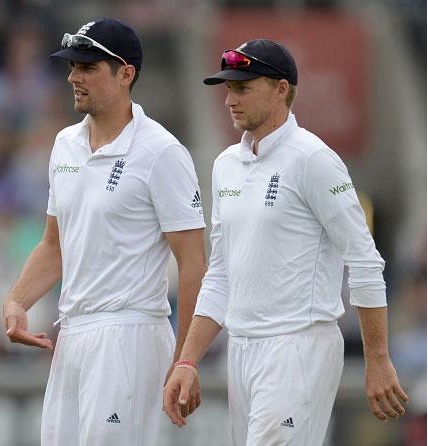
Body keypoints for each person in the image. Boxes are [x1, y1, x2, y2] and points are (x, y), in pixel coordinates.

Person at [163, 39, 409, 445]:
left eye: (242, 88)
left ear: (281, 89)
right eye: (228, 89)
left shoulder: (313, 159)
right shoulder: (225, 166)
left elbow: (365, 261)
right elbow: (221, 274)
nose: (229, 100)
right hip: (241, 351)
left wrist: (378, 360)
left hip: (299, 347)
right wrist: (188, 359)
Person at [2, 18, 206, 446]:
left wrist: (186, 359)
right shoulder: (65, 144)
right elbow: (54, 244)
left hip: (128, 335)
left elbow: (193, 264)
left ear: (125, 73)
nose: (73, 77)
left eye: (88, 66)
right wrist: (17, 301)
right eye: (72, 66)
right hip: (72, 333)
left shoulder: (161, 151)